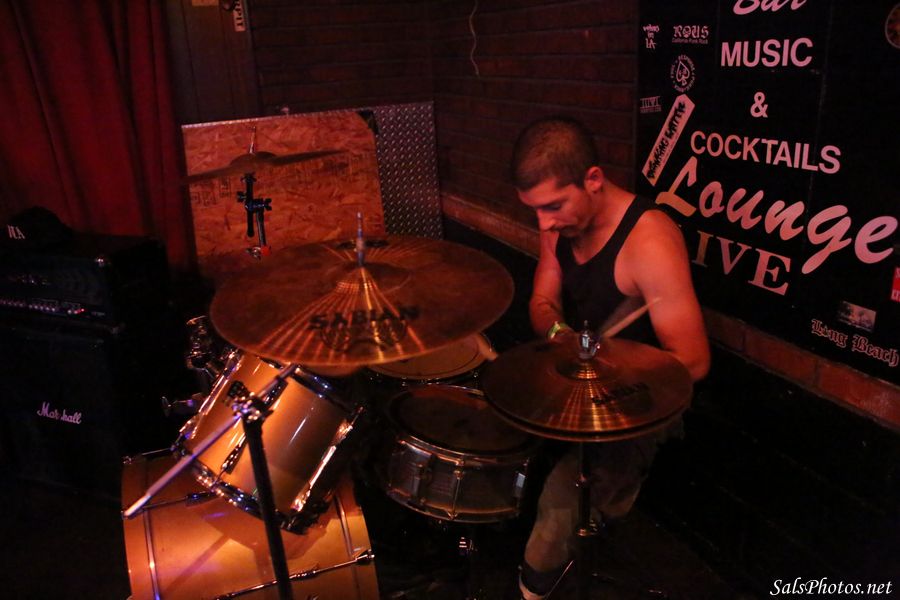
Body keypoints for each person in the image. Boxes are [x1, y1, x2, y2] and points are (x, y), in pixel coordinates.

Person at [509, 116, 710, 599]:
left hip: (640, 408)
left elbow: (694, 360)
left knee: (558, 513)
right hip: (576, 387)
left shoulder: (649, 242)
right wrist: (559, 335)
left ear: (593, 179)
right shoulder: (558, 226)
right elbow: (542, 302)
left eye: (553, 206)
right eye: (535, 210)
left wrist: (605, 364)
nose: (544, 223)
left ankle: (538, 583)